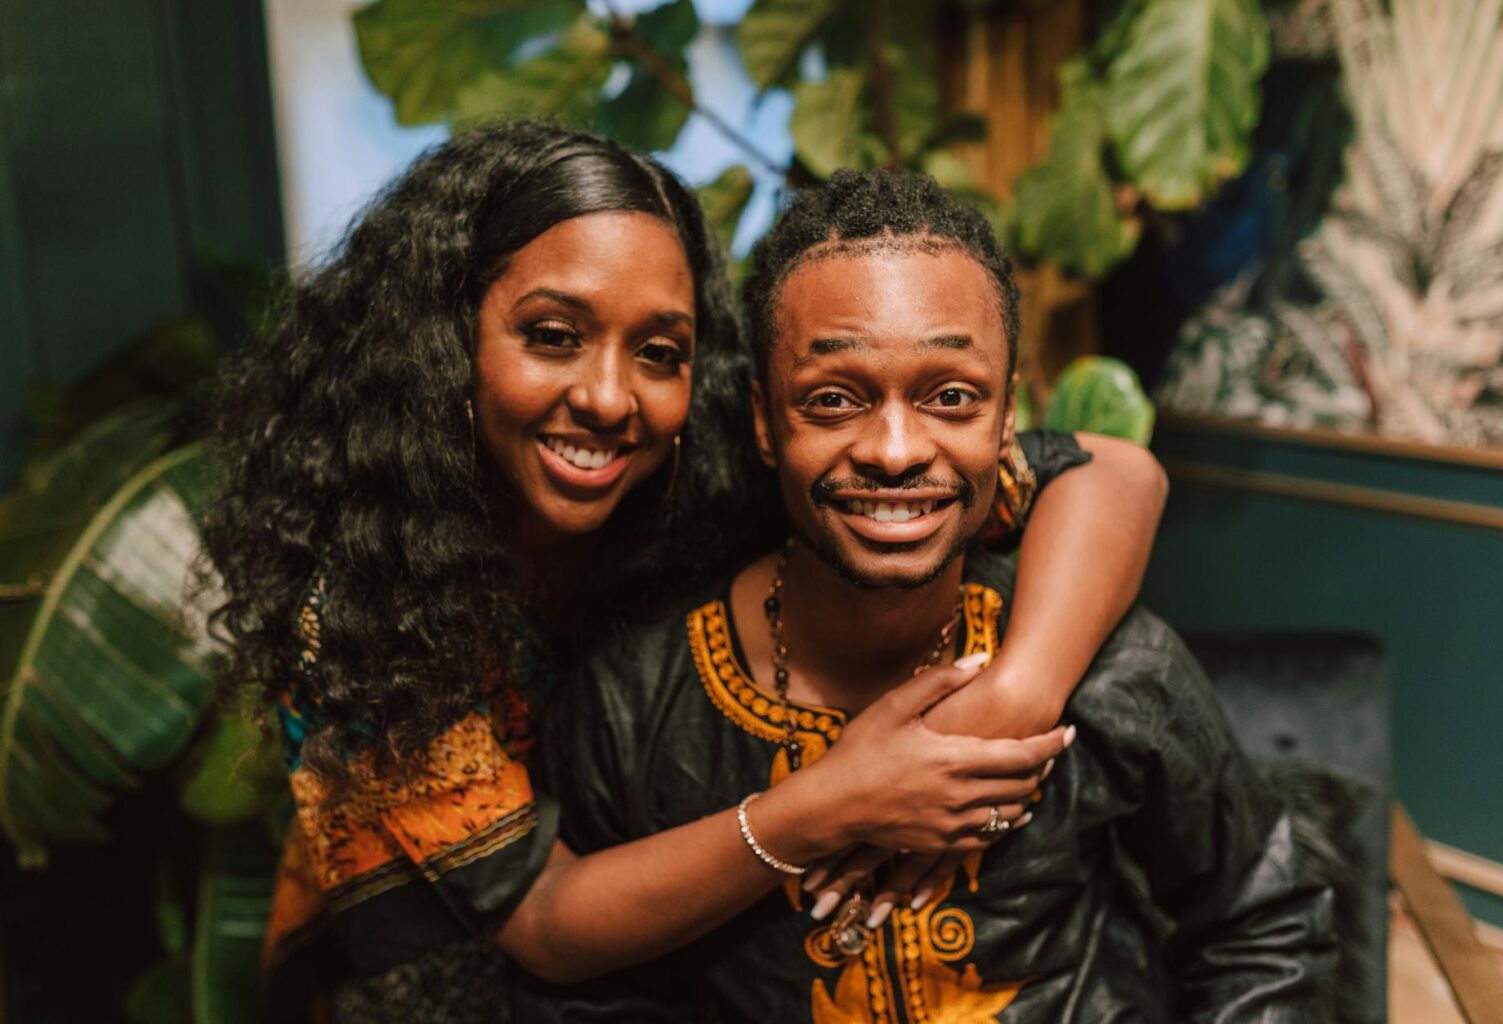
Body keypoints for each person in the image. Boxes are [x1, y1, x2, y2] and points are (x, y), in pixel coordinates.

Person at [201, 123, 1167, 1015]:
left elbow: (1112, 473)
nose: (610, 397)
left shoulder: (718, 467)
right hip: (449, 978)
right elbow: (542, 926)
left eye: (658, 350)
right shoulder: (364, 601)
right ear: (448, 340)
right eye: (552, 336)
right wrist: (837, 802)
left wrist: (1009, 701)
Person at [521, 168, 1336, 1021]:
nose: (897, 449)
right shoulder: (634, 703)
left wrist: (1017, 696)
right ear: (765, 421)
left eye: (951, 397)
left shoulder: (1113, 668)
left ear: (1007, 416)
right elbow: (587, 994)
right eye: (834, 399)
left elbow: (1263, 926)